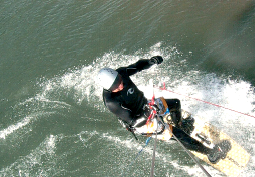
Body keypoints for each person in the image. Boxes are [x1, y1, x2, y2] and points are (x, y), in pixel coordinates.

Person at [96, 56, 230, 163]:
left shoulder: (121, 74)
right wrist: (149, 113)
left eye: (119, 80)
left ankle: (181, 124)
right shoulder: (111, 102)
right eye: (116, 86)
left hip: (148, 105)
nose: (121, 84)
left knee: (175, 104)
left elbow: (138, 66)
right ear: (109, 89)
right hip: (141, 121)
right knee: (177, 135)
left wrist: (150, 62)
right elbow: (133, 122)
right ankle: (211, 153)